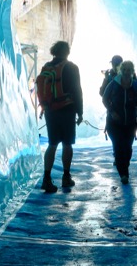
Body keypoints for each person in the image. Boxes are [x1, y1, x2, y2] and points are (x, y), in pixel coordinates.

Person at [40, 41, 84, 193]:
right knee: (67, 144)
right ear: (67, 52)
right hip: (66, 110)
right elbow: (77, 91)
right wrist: (80, 112)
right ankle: (66, 177)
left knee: (52, 144)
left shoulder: (46, 67)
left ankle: (46, 178)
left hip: (50, 111)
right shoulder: (71, 67)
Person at [102, 60, 137, 184]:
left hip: (130, 122)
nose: (126, 72)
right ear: (121, 71)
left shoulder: (135, 86)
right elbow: (104, 99)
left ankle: (125, 166)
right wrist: (112, 111)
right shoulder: (113, 84)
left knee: (128, 148)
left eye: (129, 70)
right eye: (124, 70)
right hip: (114, 123)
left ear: (132, 71)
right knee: (119, 146)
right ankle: (123, 174)